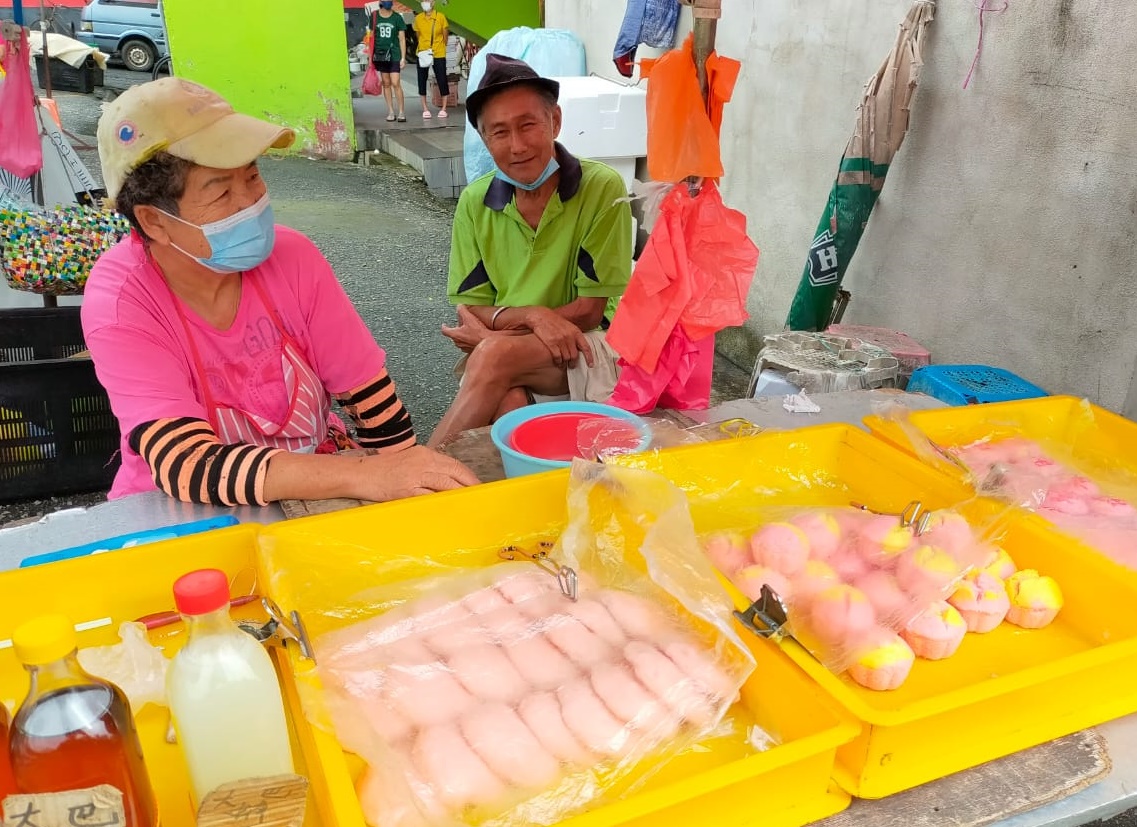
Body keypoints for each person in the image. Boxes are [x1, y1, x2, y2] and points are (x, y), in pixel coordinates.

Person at [82, 77, 478, 507]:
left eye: (252, 177)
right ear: (154, 221)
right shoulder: (122, 300)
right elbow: (188, 463)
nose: (250, 202)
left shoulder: (292, 257)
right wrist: (368, 473)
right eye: (221, 191)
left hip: (316, 481)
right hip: (190, 512)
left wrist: (405, 474)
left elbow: (370, 396)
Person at [428, 55, 633, 448]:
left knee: (493, 359)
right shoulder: (475, 202)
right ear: (484, 140)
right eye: (499, 133)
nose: (517, 146)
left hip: (591, 345)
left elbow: (590, 310)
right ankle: (532, 487)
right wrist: (532, 317)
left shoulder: (601, 188)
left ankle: (417, 479)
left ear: (554, 122)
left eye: (528, 125)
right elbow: (470, 308)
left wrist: (493, 336)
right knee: (508, 397)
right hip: (514, 350)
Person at [370, 0, 407, 122]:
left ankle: (401, 111)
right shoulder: (375, 16)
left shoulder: (397, 18)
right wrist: (370, 56)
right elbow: (371, 36)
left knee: (396, 82)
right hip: (380, 54)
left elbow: (402, 39)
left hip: (394, 54)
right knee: (386, 83)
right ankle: (391, 111)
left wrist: (403, 57)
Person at [412, 0, 449, 119]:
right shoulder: (418, 18)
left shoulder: (441, 17)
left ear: (433, 3)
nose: (425, 3)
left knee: (442, 79)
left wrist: (438, 46)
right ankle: (425, 108)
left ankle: (444, 108)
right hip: (423, 52)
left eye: (427, 0)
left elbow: (445, 37)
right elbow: (418, 35)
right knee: (421, 79)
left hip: (438, 52)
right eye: (423, 1)